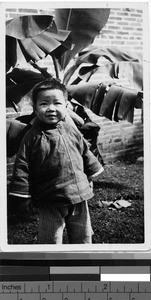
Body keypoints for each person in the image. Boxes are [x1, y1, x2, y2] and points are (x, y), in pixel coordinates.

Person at [9, 78, 104, 244]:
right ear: (35, 108)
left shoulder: (71, 130)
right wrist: (23, 195)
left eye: (57, 103)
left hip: (79, 194)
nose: (51, 108)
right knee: (50, 238)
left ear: (66, 106)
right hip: (50, 198)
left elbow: (85, 152)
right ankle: (51, 264)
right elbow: (22, 167)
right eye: (44, 103)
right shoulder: (32, 137)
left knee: (82, 235)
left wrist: (90, 174)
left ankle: (82, 261)